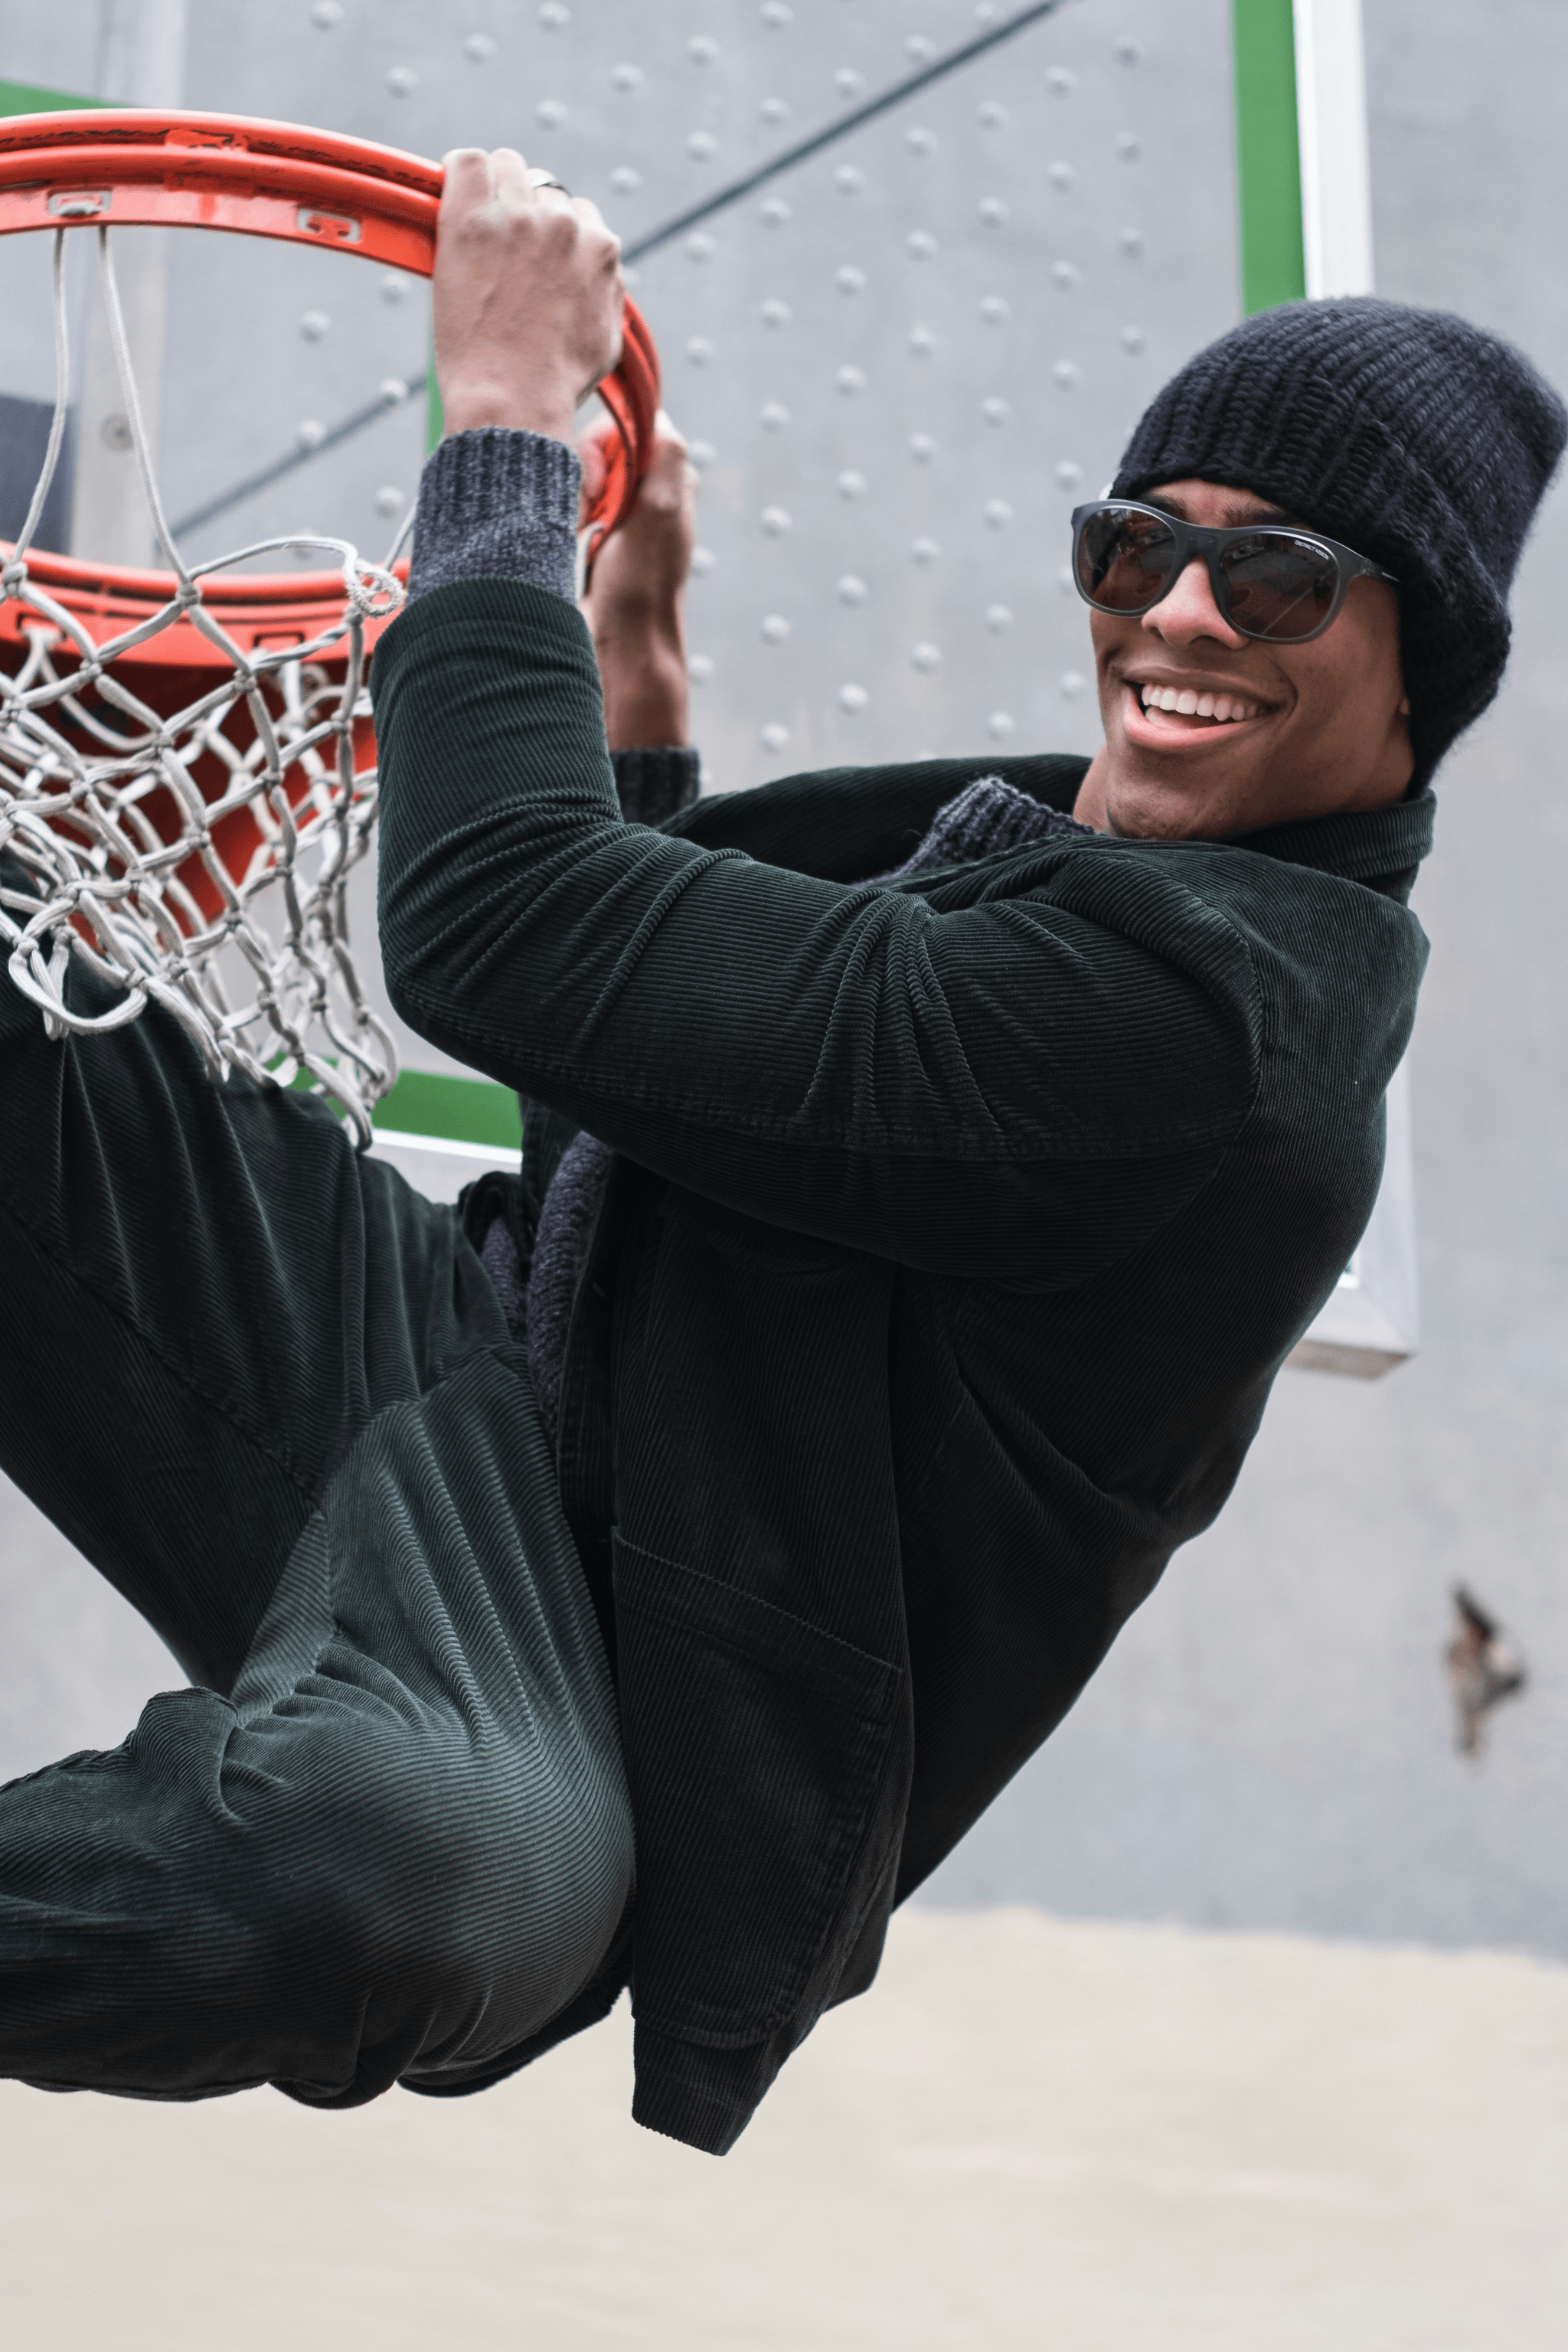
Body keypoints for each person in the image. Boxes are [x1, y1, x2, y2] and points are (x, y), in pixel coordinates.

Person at [0, 149, 1561, 2158]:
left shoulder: (1219, 1038)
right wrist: (642, 725)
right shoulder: (1076, 869)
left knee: (389, 1873)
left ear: (1416, 664)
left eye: (1275, 579)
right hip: (437, 1378)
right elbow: (656, 1121)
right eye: (1130, 548)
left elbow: (496, 927)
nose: (1177, 611)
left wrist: (502, 436)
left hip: (579, 1736)